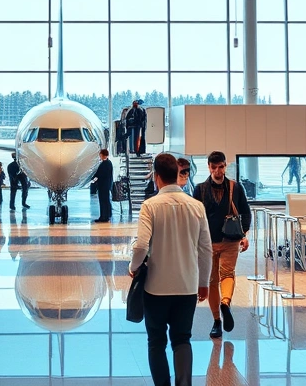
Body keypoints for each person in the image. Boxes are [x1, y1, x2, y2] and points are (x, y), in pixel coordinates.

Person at [130, 153, 212, 386]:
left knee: (156, 342)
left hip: (156, 288)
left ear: (156, 177)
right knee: (182, 340)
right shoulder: (196, 206)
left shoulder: (150, 206)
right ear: (177, 175)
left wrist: (133, 266)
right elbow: (205, 249)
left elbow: (141, 245)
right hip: (187, 287)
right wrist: (203, 282)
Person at [192, 151, 251, 340]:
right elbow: (195, 218)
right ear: (208, 167)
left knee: (227, 273)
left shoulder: (236, 187)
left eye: (221, 167)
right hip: (207, 243)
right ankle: (217, 319)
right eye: (214, 167)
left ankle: (225, 304)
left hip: (230, 240)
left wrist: (245, 235)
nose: (218, 171)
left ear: (226, 166)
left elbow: (246, 212)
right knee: (211, 281)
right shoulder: (200, 189)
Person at [92, 149, 114, 223]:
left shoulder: (105, 164)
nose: (99, 156)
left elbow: (100, 174)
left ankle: (104, 216)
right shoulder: (108, 163)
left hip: (103, 185)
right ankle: (106, 215)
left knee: (103, 201)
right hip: (106, 185)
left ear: (102, 155)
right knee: (106, 201)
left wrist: (94, 179)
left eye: (100, 155)